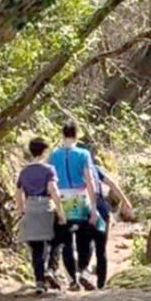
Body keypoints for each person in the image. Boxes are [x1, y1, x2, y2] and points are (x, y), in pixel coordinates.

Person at [46, 123, 99, 290]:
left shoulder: (53, 155)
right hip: (79, 196)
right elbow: (89, 180)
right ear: (77, 136)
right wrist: (94, 206)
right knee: (87, 237)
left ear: (62, 135)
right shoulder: (83, 154)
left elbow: (49, 180)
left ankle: (72, 280)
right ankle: (83, 270)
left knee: (66, 241)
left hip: (60, 197)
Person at [14, 138, 65, 294]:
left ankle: (39, 283)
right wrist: (61, 212)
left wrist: (21, 210)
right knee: (57, 240)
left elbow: (18, 193)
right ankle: (51, 268)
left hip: (30, 207)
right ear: (44, 152)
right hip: (45, 207)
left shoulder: (24, 171)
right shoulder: (48, 170)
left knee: (36, 248)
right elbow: (53, 191)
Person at [79, 165, 134, 289]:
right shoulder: (93, 168)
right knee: (101, 248)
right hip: (101, 212)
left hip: (84, 212)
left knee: (85, 245)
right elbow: (112, 184)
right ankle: (101, 284)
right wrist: (125, 201)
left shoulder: (74, 169)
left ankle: (83, 273)